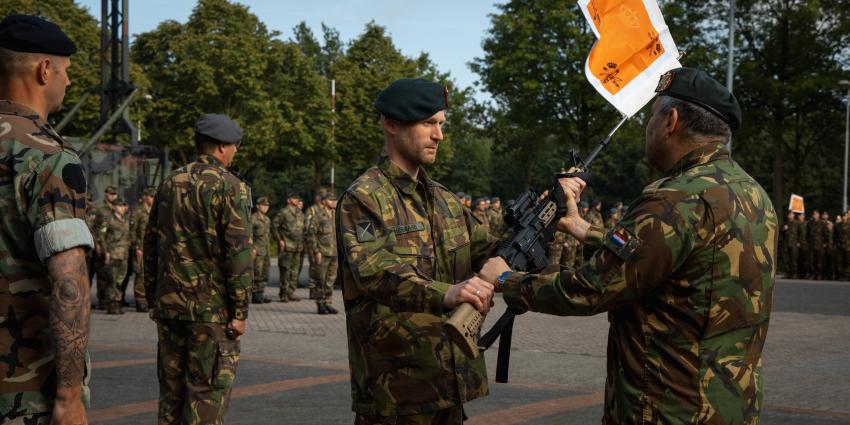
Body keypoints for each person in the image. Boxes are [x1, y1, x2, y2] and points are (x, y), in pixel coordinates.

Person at [480, 68, 777, 424]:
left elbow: (594, 288)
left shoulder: (672, 198)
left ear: (671, 120)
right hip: (730, 404)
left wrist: (507, 280)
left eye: (651, 117)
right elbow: (664, 261)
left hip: (666, 407)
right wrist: (581, 228)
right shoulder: (752, 194)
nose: (647, 128)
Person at [337, 78, 497, 424]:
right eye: (428, 123)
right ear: (391, 124)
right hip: (396, 391)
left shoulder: (444, 199)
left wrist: (548, 213)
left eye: (441, 124)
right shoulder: (364, 197)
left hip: (447, 383)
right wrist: (449, 292)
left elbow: (489, 248)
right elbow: (376, 273)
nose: (439, 134)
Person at [0, 14, 92, 424]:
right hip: (23, 394)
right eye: (66, 71)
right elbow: (69, 285)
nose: (68, 82)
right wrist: (69, 398)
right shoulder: (49, 159)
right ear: (44, 70)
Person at [144, 113, 253, 424]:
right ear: (221, 147)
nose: (236, 152)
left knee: (171, 396)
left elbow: (151, 244)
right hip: (212, 311)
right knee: (206, 396)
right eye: (235, 146)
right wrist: (240, 311)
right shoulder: (230, 187)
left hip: (170, 307)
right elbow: (239, 254)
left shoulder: (169, 183)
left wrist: (152, 297)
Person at [306, 192, 339, 314]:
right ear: (324, 201)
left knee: (331, 280)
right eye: (331, 200)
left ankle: (328, 303)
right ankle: (320, 304)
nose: (334, 202)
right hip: (323, 253)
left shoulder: (336, 215)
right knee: (321, 280)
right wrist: (316, 251)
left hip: (334, 253)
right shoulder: (318, 216)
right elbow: (311, 235)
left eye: (335, 200)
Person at [98, 196, 130, 314]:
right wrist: (106, 252)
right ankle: (111, 304)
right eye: (120, 206)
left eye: (123, 206)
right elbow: (101, 236)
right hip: (113, 254)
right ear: (114, 207)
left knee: (120, 280)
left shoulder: (126, 220)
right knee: (112, 280)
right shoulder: (109, 220)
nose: (122, 208)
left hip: (124, 255)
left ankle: (118, 302)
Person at [272, 194, 305, 302]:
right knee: (285, 270)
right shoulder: (284, 212)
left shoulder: (299, 212)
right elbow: (275, 226)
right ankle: (283, 293)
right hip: (287, 246)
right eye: (294, 198)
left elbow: (302, 228)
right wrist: (279, 240)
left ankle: (291, 292)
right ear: (288, 200)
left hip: (298, 246)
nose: (296, 200)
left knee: (295, 271)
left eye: (297, 198)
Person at [130, 186, 156, 312]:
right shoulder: (138, 212)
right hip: (141, 248)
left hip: (151, 248)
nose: (152, 199)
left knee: (150, 273)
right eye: (151, 196)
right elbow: (133, 232)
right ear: (146, 196)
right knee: (140, 274)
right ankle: (140, 300)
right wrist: (136, 248)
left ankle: (148, 298)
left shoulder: (155, 211)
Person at [305, 189, 327, 299]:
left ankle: (322, 289)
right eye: (322, 197)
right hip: (314, 242)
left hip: (325, 244)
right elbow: (308, 227)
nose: (323, 199)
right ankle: (312, 289)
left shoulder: (326, 210)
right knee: (314, 266)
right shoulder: (312, 210)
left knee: (322, 267)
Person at [251, 196, 273, 304]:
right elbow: (249, 235)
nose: (265, 207)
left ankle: (260, 292)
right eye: (263, 205)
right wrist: (252, 249)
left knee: (265, 272)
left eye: (267, 206)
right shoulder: (253, 218)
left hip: (266, 250)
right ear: (258, 206)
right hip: (257, 250)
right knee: (256, 272)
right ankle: (254, 294)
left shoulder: (267, 219)